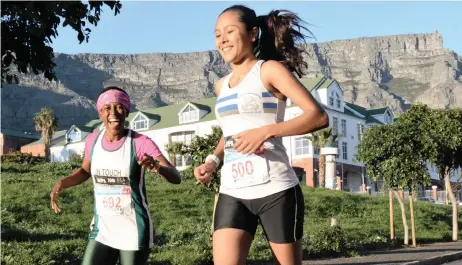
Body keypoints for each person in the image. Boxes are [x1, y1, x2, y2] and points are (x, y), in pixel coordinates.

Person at [194, 5, 329, 265]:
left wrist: (265, 132)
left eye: (230, 31)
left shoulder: (269, 71)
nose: (222, 39)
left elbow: (318, 116)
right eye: (217, 34)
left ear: (253, 34)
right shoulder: (221, 85)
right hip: (232, 190)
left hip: (276, 189)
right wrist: (213, 160)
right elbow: (230, 132)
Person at [50, 86, 181, 265]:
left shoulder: (140, 143)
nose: (113, 113)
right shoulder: (92, 141)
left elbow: (176, 177)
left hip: (133, 228)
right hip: (102, 227)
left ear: (127, 111)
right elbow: (85, 171)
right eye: (107, 108)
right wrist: (62, 183)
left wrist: (157, 166)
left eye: (119, 107)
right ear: (100, 113)